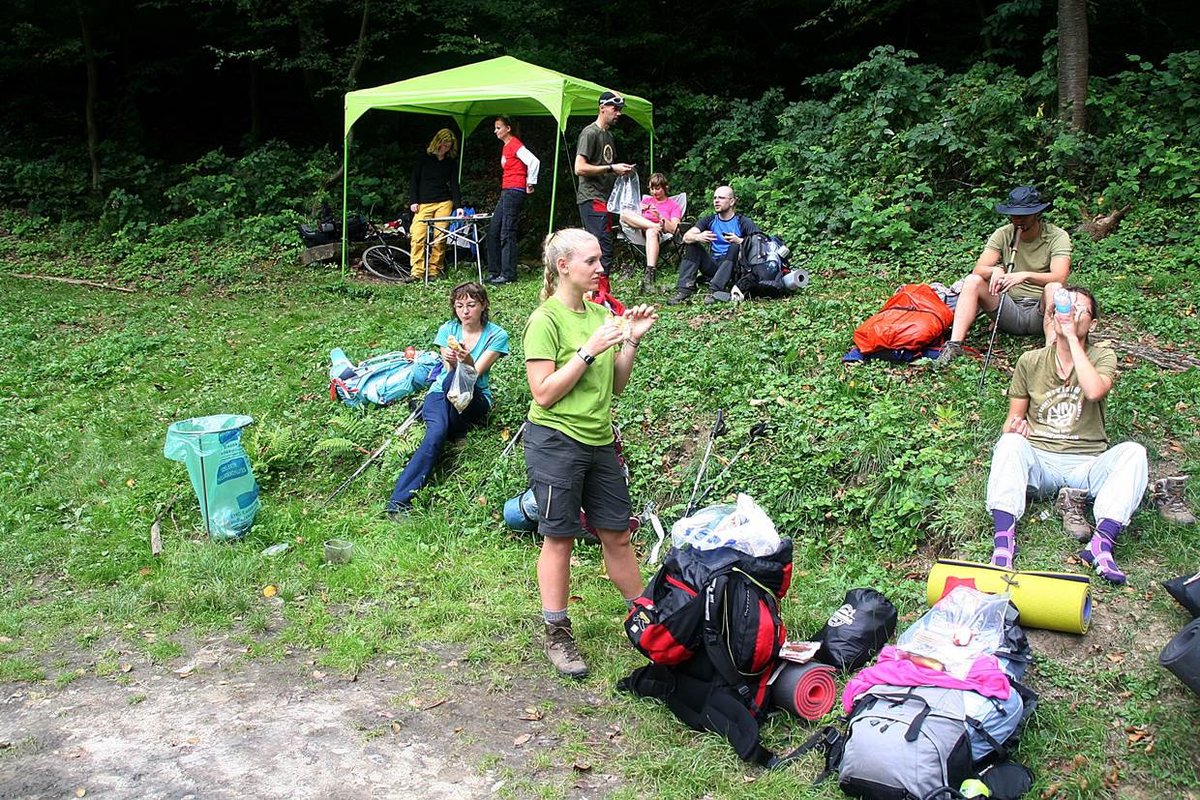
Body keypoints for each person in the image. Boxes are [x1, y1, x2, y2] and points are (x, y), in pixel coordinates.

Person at [523, 228, 658, 678]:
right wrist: (588, 350)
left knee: (616, 533)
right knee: (558, 537)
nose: (601, 268)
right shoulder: (546, 320)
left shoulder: (602, 313)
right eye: (592, 261)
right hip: (555, 440)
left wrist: (631, 339)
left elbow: (614, 386)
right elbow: (543, 394)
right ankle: (557, 633)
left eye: (601, 260)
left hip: (599, 440)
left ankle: (648, 619)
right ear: (564, 266)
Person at [983, 286, 1146, 584]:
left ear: (1093, 324)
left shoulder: (1102, 356)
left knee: (1134, 453)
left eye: (1079, 310)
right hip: (1041, 462)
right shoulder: (1030, 361)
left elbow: (1095, 391)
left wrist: (1071, 337)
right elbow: (1011, 421)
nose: (1069, 314)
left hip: (1087, 464)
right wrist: (1015, 429)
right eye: (1065, 308)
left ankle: (1101, 545)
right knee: (1008, 443)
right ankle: (1004, 542)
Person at [386, 282, 508, 513]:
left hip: (475, 397)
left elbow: (474, 374)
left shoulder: (496, 335)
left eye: (471, 305)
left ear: (483, 305)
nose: (465, 311)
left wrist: (466, 359)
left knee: (456, 382)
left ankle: (441, 421)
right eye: (460, 305)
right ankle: (398, 502)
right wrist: (452, 360)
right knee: (436, 433)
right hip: (442, 392)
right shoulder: (448, 330)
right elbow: (449, 372)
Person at [935, 186, 1072, 366]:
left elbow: (1059, 277)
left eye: (1023, 215)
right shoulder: (1003, 233)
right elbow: (979, 269)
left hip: (1041, 310)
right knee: (972, 281)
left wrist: (1025, 276)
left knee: (1054, 288)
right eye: (1013, 215)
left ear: (1036, 214)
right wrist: (996, 270)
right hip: (1009, 310)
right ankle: (954, 345)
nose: (1017, 220)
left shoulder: (1057, 236)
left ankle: (1052, 351)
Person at [575, 91, 636, 276]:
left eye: (620, 110)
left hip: (606, 200)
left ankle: (601, 294)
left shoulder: (608, 136)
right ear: (602, 108)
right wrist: (611, 168)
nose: (619, 113)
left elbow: (608, 166)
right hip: (592, 198)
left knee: (605, 247)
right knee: (601, 248)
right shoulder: (589, 133)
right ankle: (597, 296)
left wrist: (622, 171)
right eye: (615, 109)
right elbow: (579, 168)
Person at [668, 185, 760, 305]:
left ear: (731, 201)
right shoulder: (709, 220)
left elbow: (759, 243)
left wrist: (740, 241)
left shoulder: (742, 222)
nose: (716, 201)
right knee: (692, 244)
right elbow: (685, 237)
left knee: (734, 246)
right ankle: (684, 290)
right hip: (713, 265)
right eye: (715, 198)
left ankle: (715, 291)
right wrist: (697, 237)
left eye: (721, 198)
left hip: (734, 268)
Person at [486, 115, 540, 286]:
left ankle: (508, 274)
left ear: (508, 128)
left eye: (498, 127)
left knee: (507, 232)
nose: (496, 131)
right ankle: (495, 271)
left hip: (514, 190)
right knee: (493, 231)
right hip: (506, 191)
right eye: (495, 128)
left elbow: (533, 161)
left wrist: (530, 182)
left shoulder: (515, 144)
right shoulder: (506, 147)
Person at [409, 128, 463, 281]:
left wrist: (458, 206)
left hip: (444, 202)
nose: (445, 148)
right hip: (423, 203)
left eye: (449, 145)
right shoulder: (423, 158)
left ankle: (434, 271)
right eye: (444, 144)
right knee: (418, 235)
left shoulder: (451, 162)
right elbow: (414, 180)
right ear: (437, 142)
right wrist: (413, 201)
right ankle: (417, 272)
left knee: (440, 237)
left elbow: (454, 185)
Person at [618, 172, 683, 287]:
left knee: (652, 231)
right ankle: (653, 226)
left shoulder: (673, 205)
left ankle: (650, 272)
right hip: (639, 232)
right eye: (652, 189)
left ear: (665, 187)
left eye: (657, 188)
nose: (654, 192)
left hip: (660, 235)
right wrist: (639, 210)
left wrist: (659, 217)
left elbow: (674, 229)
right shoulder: (646, 201)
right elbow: (629, 217)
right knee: (624, 214)